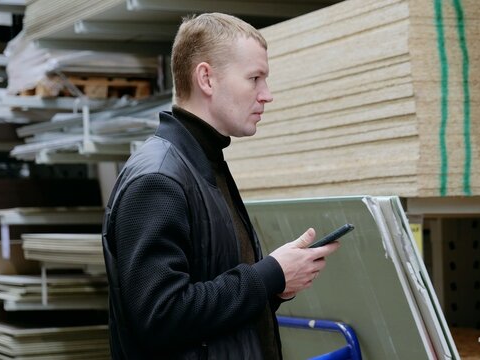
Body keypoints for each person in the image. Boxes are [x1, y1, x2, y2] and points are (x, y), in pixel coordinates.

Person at [102, 12, 340, 359]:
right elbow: (160, 316)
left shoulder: (205, 164)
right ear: (207, 79)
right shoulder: (158, 179)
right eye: (255, 78)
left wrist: (277, 285)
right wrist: (268, 275)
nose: (267, 95)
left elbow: (208, 304)